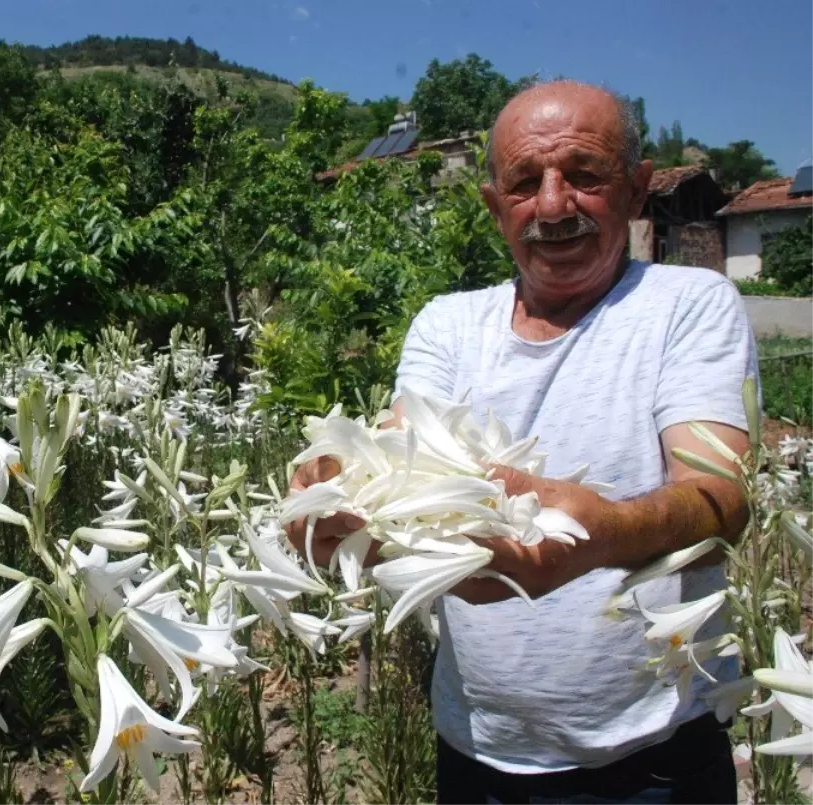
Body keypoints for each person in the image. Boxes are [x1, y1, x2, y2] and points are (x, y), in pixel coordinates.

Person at [287, 81, 756, 804]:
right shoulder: (447, 324)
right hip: (477, 755)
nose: (552, 205)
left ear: (636, 190)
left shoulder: (687, 306)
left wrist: (598, 535)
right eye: (525, 182)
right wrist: (344, 504)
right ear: (493, 206)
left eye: (585, 175)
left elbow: (720, 500)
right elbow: (400, 465)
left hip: (653, 759)